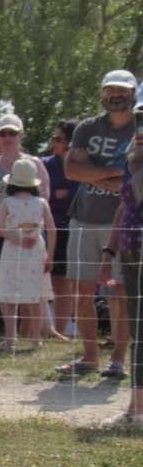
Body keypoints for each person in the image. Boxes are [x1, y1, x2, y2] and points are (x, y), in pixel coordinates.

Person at [57, 70, 135, 379]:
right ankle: (89, 357)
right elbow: (72, 170)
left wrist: (94, 171)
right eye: (110, 90)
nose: (115, 95)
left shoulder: (140, 128)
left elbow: (137, 183)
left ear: (132, 93)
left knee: (119, 293)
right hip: (83, 217)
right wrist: (116, 175)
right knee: (81, 290)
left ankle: (117, 359)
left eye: (122, 90)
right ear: (102, 94)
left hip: (123, 221)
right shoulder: (88, 127)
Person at [0, 114, 51, 339]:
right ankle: (6, 332)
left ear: (21, 135)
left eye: (12, 133)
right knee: (2, 284)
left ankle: (36, 332)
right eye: (3, 133)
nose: (8, 137)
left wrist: (33, 226)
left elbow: (45, 195)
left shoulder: (35, 164)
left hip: (30, 235)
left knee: (32, 283)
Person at [98, 121, 143, 427]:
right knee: (139, 330)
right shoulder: (133, 157)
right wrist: (109, 252)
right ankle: (135, 407)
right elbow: (124, 207)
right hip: (131, 252)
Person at [0, 160, 56, 351]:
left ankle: (11, 338)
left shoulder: (7, 202)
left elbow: (0, 229)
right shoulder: (41, 202)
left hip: (13, 250)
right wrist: (50, 255)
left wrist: (18, 239)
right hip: (36, 250)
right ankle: (36, 339)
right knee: (34, 295)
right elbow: (52, 229)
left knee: (8, 294)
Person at [42, 119, 80, 335]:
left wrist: (58, 196)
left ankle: (61, 329)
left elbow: (74, 199)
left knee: (64, 282)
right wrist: (57, 195)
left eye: (58, 139)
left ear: (70, 142)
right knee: (40, 281)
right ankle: (37, 328)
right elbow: (45, 197)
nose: (53, 143)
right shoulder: (45, 164)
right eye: (53, 138)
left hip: (69, 229)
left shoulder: (81, 166)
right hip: (45, 231)